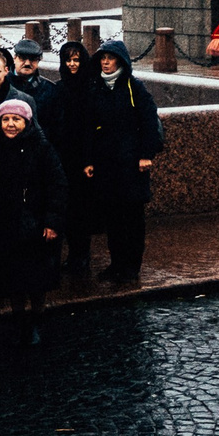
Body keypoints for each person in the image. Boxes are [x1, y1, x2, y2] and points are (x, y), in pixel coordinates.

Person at [0, 97, 66, 344]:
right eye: (6, 119)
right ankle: (19, 321)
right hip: (5, 224)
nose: (10, 124)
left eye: (16, 119)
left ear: (27, 122)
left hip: (36, 224)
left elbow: (57, 185)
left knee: (37, 278)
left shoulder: (42, 147)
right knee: (13, 278)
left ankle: (37, 320)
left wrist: (52, 222)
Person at [88, 39, 164, 284]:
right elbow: (89, 127)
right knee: (112, 218)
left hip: (132, 164)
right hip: (107, 165)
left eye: (110, 58)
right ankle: (116, 264)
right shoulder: (96, 87)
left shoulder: (134, 87)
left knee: (132, 218)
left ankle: (132, 266)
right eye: (103, 58)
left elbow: (149, 121)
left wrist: (146, 155)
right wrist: (89, 160)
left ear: (120, 61)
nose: (106, 62)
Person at [38, 36, 100, 279]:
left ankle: (81, 256)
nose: (72, 64)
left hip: (82, 159)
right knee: (65, 209)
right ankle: (70, 257)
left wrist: (89, 159)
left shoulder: (91, 88)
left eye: (76, 60)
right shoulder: (59, 88)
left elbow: (92, 127)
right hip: (62, 157)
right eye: (68, 60)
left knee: (81, 211)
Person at [11, 27, 54, 104]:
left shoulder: (49, 89)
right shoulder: (1, 83)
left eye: (32, 59)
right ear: (14, 58)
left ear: (39, 60)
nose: (27, 63)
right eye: (23, 58)